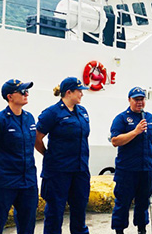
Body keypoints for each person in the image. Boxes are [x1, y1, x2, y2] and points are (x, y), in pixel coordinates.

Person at [0, 79, 38, 234]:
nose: (26, 94)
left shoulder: (29, 118)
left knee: (28, 226)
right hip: (2, 183)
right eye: (22, 92)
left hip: (27, 183)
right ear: (10, 97)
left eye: (27, 91)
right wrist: (1, 169)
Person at [35, 77, 91, 234]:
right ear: (69, 92)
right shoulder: (52, 113)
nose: (82, 94)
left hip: (80, 170)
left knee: (80, 210)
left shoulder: (82, 112)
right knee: (55, 213)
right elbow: (37, 138)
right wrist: (48, 154)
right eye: (79, 91)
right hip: (58, 172)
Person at [110, 87, 152, 234]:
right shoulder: (121, 118)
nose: (140, 102)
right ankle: (119, 230)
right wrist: (135, 131)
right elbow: (115, 141)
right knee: (122, 203)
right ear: (129, 100)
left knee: (143, 202)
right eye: (136, 99)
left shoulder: (150, 118)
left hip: (146, 169)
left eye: (142, 99)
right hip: (127, 170)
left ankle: (141, 229)